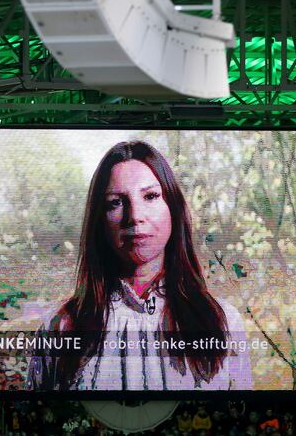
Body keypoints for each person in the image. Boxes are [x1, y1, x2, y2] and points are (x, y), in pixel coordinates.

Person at [28, 141, 252, 391]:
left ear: (173, 209)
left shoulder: (223, 321)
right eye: (116, 202)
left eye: (151, 196)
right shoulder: (60, 325)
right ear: (99, 220)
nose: (135, 216)